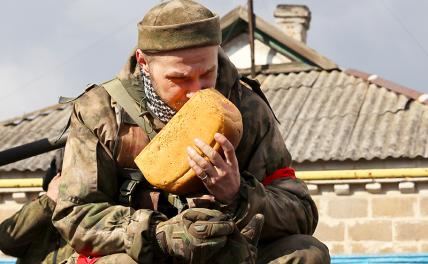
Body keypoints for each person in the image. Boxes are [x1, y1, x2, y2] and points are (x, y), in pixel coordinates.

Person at [52, 0, 330, 263]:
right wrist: (160, 235)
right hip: (147, 255)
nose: (196, 89)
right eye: (179, 78)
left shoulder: (247, 109)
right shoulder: (101, 112)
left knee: (307, 253)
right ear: (144, 63)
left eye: (207, 73)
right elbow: (75, 215)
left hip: (227, 253)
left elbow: (301, 212)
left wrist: (238, 193)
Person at [0, 150, 74, 264]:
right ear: (56, 178)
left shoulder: (95, 211)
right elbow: (6, 240)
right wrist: (48, 201)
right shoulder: (41, 211)